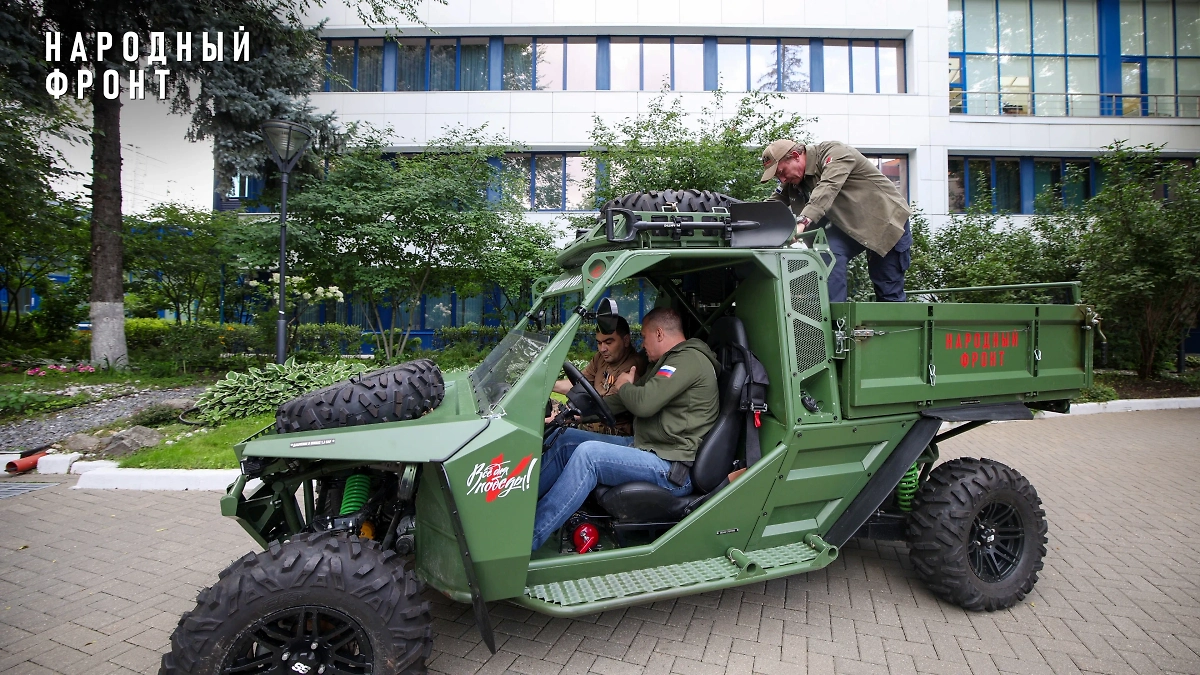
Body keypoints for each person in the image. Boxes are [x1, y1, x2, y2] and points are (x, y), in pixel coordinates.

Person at [532, 307, 720, 551]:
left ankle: (528, 539)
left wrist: (623, 385)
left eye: (644, 336)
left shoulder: (687, 360)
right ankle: (518, 508)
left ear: (660, 333)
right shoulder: (668, 361)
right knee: (566, 440)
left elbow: (642, 403)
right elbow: (625, 400)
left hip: (672, 467)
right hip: (647, 447)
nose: (642, 344)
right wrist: (579, 415)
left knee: (589, 455)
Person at [760, 139, 913, 302]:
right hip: (847, 226)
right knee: (827, 254)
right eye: (778, 177)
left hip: (884, 221)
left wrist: (801, 223)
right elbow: (772, 206)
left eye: (782, 172)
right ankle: (833, 321)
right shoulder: (794, 181)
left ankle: (894, 325)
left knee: (887, 289)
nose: (782, 180)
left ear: (796, 156)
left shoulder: (835, 153)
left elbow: (828, 187)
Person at [549, 315, 647, 436]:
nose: (602, 349)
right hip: (589, 420)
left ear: (626, 340)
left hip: (613, 430)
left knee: (557, 435)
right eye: (599, 343)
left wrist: (565, 416)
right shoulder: (601, 358)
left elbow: (605, 407)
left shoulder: (633, 368)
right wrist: (547, 385)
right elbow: (579, 385)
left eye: (608, 342)